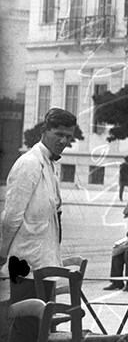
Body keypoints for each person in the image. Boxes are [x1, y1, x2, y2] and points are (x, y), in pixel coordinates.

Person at [0, 107, 77, 278]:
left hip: (45, 264)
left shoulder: (50, 164)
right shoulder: (29, 164)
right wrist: (2, 254)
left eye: (68, 137)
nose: (63, 141)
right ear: (44, 131)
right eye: (59, 134)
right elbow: (11, 218)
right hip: (24, 265)